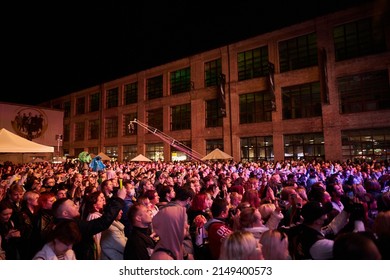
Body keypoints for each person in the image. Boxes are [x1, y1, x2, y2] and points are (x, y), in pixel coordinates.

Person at [49, 187, 125, 260]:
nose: (76, 206)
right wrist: (119, 199)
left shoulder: (64, 225)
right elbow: (101, 223)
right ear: (65, 213)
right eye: (72, 205)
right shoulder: (68, 227)